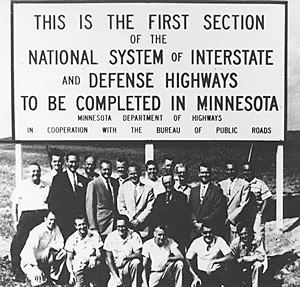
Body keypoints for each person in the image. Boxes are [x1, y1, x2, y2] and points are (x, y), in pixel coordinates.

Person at [10, 162, 49, 282]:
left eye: (38, 171)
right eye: (33, 171)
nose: (36, 173)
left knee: (39, 242)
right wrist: (15, 220)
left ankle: (39, 269)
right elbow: (14, 205)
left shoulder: (46, 186)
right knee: (18, 243)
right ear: (29, 172)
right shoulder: (23, 186)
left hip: (42, 216)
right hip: (27, 217)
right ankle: (17, 271)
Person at [47, 152, 89, 239]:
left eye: (75, 162)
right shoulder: (58, 178)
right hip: (64, 220)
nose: (73, 164)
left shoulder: (83, 180)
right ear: (66, 162)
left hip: (80, 222)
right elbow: (52, 201)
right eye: (71, 162)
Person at [20, 211, 66, 286]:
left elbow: (61, 243)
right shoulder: (37, 231)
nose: (52, 222)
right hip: (30, 261)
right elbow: (29, 251)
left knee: (63, 253)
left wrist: (50, 249)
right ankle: (30, 277)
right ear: (45, 219)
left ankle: (53, 277)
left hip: (44, 258)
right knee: (39, 282)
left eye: (54, 220)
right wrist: (35, 267)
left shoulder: (56, 228)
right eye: (50, 219)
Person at [186, 222, 233, 287]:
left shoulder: (219, 240)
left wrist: (214, 261)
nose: (208, 235)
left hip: (216, 274)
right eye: (205, 233)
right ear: (201, 233)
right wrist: (194, 276)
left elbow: (230, 256)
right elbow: (188, 259)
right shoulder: (197, 242)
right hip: (201, 274)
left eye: (210, 232)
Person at [151, 174, 190, 252]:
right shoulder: (159, 198)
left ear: (173, 182)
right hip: (163, 235)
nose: (168, 185)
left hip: (177, 234)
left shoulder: (182, 197)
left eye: (170, 182)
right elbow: (155, 215)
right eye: (165, 183)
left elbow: (184, 217)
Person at [218, 162, 255, 242]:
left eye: (233, 170)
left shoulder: (244, 185)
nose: (230, 172)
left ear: (237, 170)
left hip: (236, 222)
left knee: (235, 245)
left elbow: (243, 205)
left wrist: (230, 218)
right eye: (228, 170)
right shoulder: (221, 184)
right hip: (222, 222)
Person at [189, 163, 227, 240]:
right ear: (199, 174)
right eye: (202, 173)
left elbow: (217, 211)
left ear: (210, 174)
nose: (205, 175)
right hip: (195, 230)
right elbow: (190, 209)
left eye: (207, 172)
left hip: (210, 230)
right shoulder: (194, 190)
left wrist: (202, 223)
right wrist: (195, 223)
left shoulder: (217, 190)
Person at [118, 164, 155, 241]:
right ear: (128, 174)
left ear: (139, 174)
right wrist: (130, 219)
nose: (133, 176)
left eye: (135, 173)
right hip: (128, 226)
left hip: (143, 227)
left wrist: (138, 220)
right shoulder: (123, 187)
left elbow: (149, 208)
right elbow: (121, 206)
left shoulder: (148, 188)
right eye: (131, 174)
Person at [104, 215, 143, 287]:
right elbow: (108, 259)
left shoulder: (134, 235)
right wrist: (116, 277)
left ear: (127, 226)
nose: (120, 229)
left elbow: (138, 254)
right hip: (116, 269)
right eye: (118, 226)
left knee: (136, 262)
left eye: (123, 226)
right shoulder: (111, 237)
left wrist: (126, 257)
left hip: (127, 267)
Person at [65, 215, 104, 287]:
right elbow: (69, 259)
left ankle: (94, 283)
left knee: (98, 264)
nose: (82, 227)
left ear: (87, 224)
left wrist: (94, 258)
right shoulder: (71, 239)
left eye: (84, 224)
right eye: (79, 225)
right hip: (79, 267)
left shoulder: (94, 235)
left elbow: (99, 253)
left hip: (92, 265)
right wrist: (71, 273)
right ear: (75, 226)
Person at [86, 160, 119, 238]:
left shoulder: (115, 182)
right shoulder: (93, 184)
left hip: (114, 224)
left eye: (109, 169)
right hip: (101, 225)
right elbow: (89, 207)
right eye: (104, 170)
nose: (107, 172)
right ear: (100, 170)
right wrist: (93, 227)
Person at [242, 162, 272, 244]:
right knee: (246, 235)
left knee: (258, 236)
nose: (247, 173)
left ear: (253, 171)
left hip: (256, 213)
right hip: (244, 214)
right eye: (245, 171)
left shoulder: (260, 183)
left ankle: (261, 255)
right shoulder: (240, 183)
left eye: (249, 170)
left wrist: (260, 214)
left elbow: (267, 199)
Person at [230, 223, 268, 287]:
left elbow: (261, 256)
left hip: (252, 264)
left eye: (246, 233)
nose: (244, 236)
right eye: (241, 234)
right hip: (240, 266)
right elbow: (231, 258)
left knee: (258, 265)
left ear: (250, 232)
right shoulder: (235, 243)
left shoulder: (257, 239)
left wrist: (244, 259)